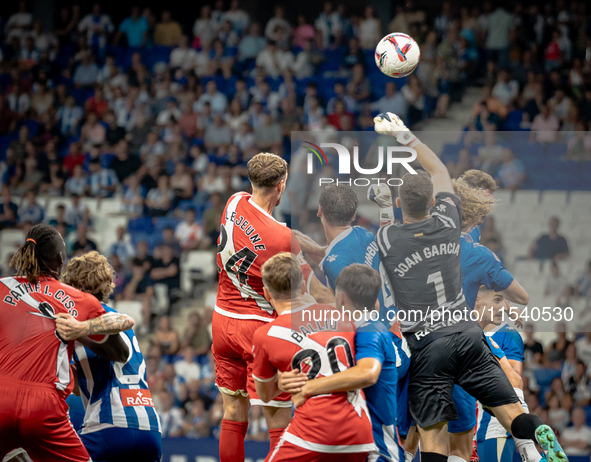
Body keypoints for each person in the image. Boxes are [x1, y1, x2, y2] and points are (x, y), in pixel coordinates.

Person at [372, 112, 564, 462]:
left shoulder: (388, 237)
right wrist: (403, 134)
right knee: (511, 414)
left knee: (432, 439)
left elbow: (389, 222)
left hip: (429, 347)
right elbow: (440, 171)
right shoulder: (449, 221)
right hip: (468, 335)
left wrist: (386, 204)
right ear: (434, 203)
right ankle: (537, 432)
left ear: (401, 205)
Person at [212, 153, 330, 462]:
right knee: (277, 419)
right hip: (257, 328)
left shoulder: (234, 202)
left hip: (222, 320)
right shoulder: (281, 238)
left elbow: (275, 232)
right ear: (281, 186)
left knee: (233, 410)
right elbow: (312, 291)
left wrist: (307, 246)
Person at [0, 223, 133, 461]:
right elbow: (120, 352)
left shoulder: (1, 287)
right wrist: (78, 330)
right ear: (61, 259)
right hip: (43, 406)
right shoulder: (80, 299)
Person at [278, 264, 408, 462]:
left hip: (376, 451)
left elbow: (368, 373)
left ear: (340, 298)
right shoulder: (346, 332)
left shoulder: (369, 329)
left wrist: (308, 387)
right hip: (349, 446)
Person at [252, 253, 374, 461]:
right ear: (301, 288)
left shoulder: (266, 335)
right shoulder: (340, 315)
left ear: (266, 293)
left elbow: (265, 395)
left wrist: (281, 382)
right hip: (359, 431)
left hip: (313, 430)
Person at [60, 251, 162, 461]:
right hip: (149, 425)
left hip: (108, 422)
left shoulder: (82, 320)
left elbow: (125, 323)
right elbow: (80, 389)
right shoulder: (109, 315)